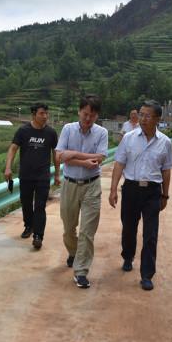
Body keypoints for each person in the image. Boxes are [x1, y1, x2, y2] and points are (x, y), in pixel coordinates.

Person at [109, 100, 172, 291]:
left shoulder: (165, 142)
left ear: (157, 119)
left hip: (152, 191)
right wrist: (113, 189)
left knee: (150, 234)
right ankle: (128, 256)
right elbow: (119, 163)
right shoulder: (129, 138)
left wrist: (165, 195)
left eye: (148, 116)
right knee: (129, 228)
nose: (143, 119)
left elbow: (166, 170)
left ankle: (147, 274)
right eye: (141, 114)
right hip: (131, 189)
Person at [55, 95, 109, 289]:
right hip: (70, 184)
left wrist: (73, 154)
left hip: (91, 186)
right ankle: (74, 252)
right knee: (69, 228)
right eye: (85, 114)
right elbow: (59, 156)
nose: (88, 118)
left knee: (87, 231)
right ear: (79, 111)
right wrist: (84, 161)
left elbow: (100, 157)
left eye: (92, 115)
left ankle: (81, 271)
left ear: (97, 116)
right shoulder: (68, 129)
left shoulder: (102, 132)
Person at [4, 103, 60, 250]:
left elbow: (56, 153)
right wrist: (8, 167)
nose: (45, 116)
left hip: (43, 176)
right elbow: (13, 149)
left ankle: (38, 236)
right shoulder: (23, 131)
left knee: (40, 206)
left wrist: (57, 174)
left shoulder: (51, 133)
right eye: (42, 113)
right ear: (33, 115)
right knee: (26, 203)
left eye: (46, 113)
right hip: (26, 175)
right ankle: (29, 226)